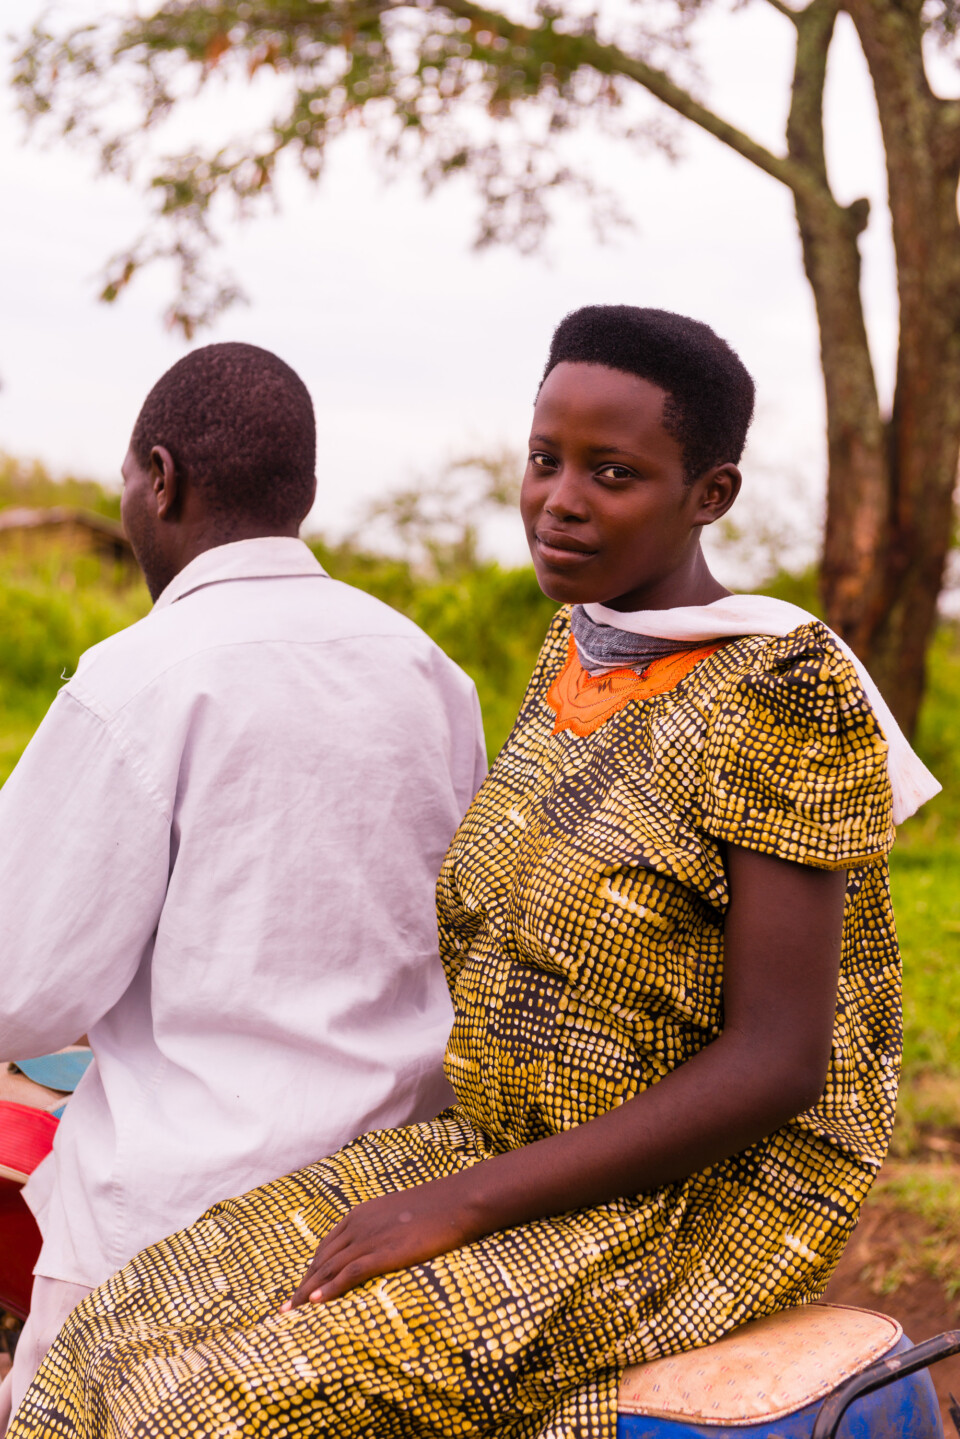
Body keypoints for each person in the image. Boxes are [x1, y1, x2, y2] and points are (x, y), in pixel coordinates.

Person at [8, 309, 939, 1439]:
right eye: (546, 460)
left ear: (711, 493)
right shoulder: (576, 650)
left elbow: (780, 1060)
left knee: (199, 1407)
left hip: (671, 1199)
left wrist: (456, 1204)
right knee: (107, 1336)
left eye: (614, 472)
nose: (562, 499)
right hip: (492, 1143)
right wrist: (458, 1180)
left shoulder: (781, 691)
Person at [0, 342, 487, 1431]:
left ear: (160, 478)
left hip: (163, 1230)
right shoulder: (428, 671)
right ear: (303, 497)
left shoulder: (143, 674)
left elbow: (22, 989)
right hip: (384, 1215)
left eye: (128, 482)